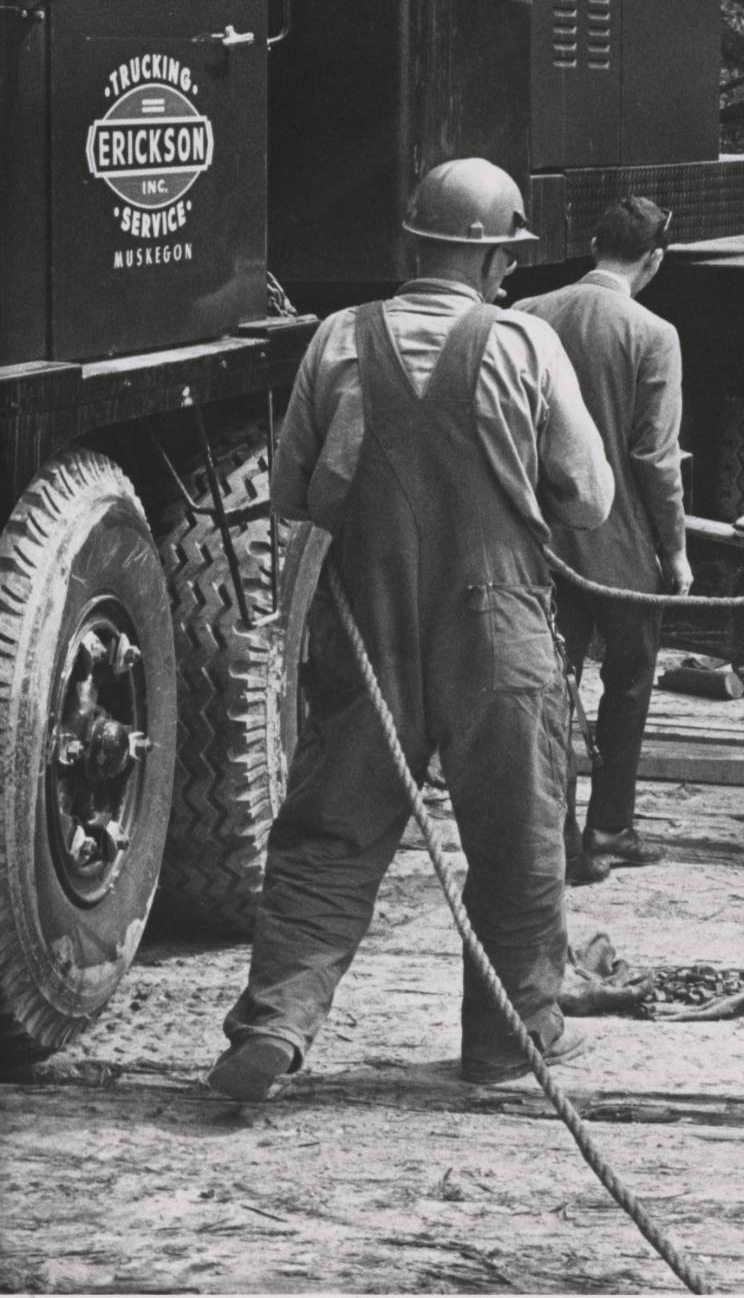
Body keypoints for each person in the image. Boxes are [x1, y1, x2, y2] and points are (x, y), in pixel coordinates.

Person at [206, 158, 612, 1103]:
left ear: (418, 242)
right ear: (493, 259)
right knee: (519, 834)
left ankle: (274, 1023)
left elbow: (298, 490)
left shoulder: (336, 341)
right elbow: (588, 502)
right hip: (497, 625)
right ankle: (511, 1038)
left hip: (367, 627)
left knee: (329, 835)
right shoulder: (525, 345)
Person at [517, 195, 692, 886]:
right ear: (653, 259)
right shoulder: (653, 334)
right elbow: (655, 456)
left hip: (539, 542)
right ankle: (611, 827)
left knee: (549, 685)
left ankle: (555, 839)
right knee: (628, 681)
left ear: (592, 242)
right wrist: (674, 549)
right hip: (620, 548)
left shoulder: (527, 315)